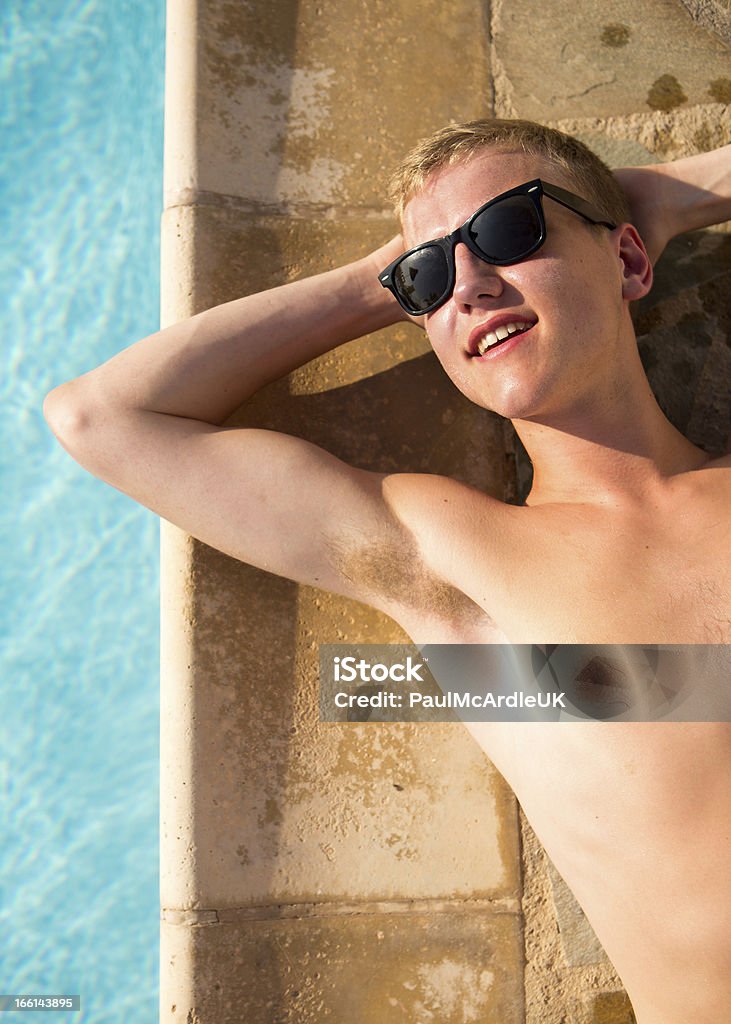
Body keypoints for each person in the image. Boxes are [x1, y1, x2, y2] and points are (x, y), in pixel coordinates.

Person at [43, 119, 731, 1023]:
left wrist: (669, 196)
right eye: (429, 276)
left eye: (508, 232)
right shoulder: (452, 560)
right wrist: (377, 284)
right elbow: (104, 417)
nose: (472, 283)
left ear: (630, 261)